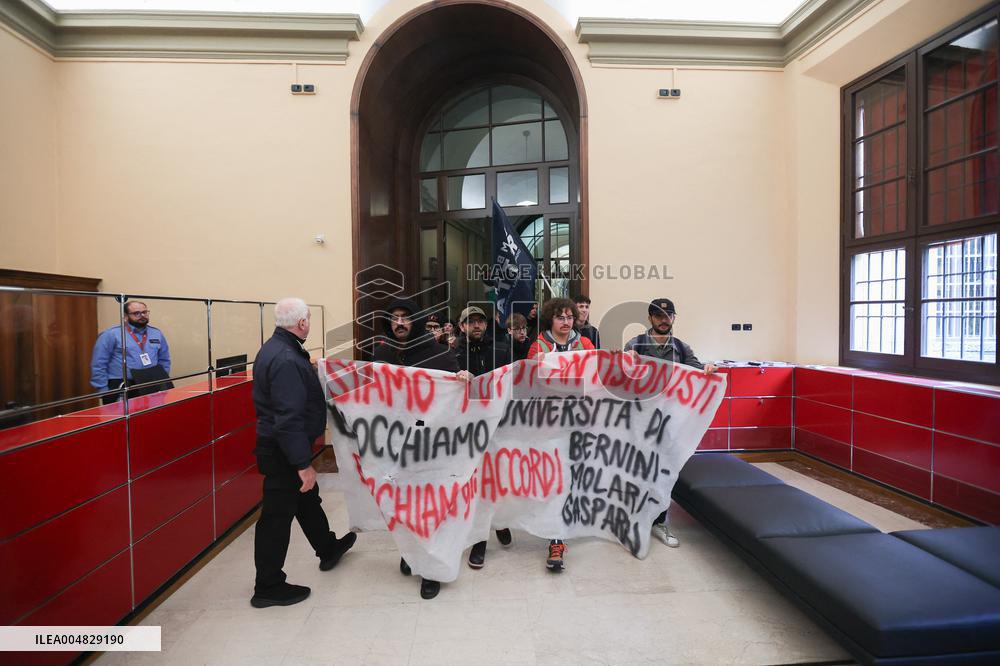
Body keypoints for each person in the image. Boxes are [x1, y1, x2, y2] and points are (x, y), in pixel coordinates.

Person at [250, 298, 356, 608]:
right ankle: (268, 585)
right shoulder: (286, 359)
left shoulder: (279, 349)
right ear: (302, 323)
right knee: (276, 517)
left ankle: (328, 548)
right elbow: (288, 418)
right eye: (308, 318)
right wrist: (301, 464)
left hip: (284, 445)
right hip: (283, 450)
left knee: (307, 499)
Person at [373, 297, 463, 600]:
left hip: (431, 446)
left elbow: (454, 391)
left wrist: (463, 378)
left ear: (416, 320)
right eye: (394, 317)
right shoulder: (382, 353)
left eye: (405, 317)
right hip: (397, 445)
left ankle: (430, 570)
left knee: (429, 508)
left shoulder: (438, 354)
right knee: (404, 505)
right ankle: (411, 552)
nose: (399, 322)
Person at [624, 297, 717, 548]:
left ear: (674, 318)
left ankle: (659, 522)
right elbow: (622, 377)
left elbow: (696, 372)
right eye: (658, 316)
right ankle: (634, 522)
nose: (664, 320)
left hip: (671, 422)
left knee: (665, 472)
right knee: (638, 471)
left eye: (668, 316)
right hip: (641, 421)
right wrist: (626, 362)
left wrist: (707, 369)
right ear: (650, 318)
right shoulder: (635, 344)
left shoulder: (681, 348)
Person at [526, 297, 596, 572]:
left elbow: (598, 372)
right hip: (549, 422)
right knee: (555, 479)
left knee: (573, 478)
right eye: (560, 317)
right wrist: (538, 367)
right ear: (550, 320)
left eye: (569, 317)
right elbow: (529, 379)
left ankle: (564, 528)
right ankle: (556, 539)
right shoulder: (539, 345)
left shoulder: (585, 343)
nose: (566, 322)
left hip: (580, 420)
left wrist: (623, 360)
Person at [455, 306, 513, 569]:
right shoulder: (453, 354)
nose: (477, 325)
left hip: (499, 427)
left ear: (486, 325)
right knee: (477, 485)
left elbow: (516, 380)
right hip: (467, 431)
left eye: (480, 321)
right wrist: (455, 377)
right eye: (471, 322)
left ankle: (500, 521)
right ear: (462, 326)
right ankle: (480, 539)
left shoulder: (502, 349)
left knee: (500, 479)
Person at [89, 300, 171, 404]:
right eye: (136, 313)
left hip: (150, 383)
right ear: (126, 316)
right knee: (122, 415)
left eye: (144, 312)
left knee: (151, 413)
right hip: (121, 385)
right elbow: (99, 363)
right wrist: (104, 390)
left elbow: (164, 359)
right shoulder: (111, 334)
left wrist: (162, 380)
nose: (142, 316)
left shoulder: (156, 333)